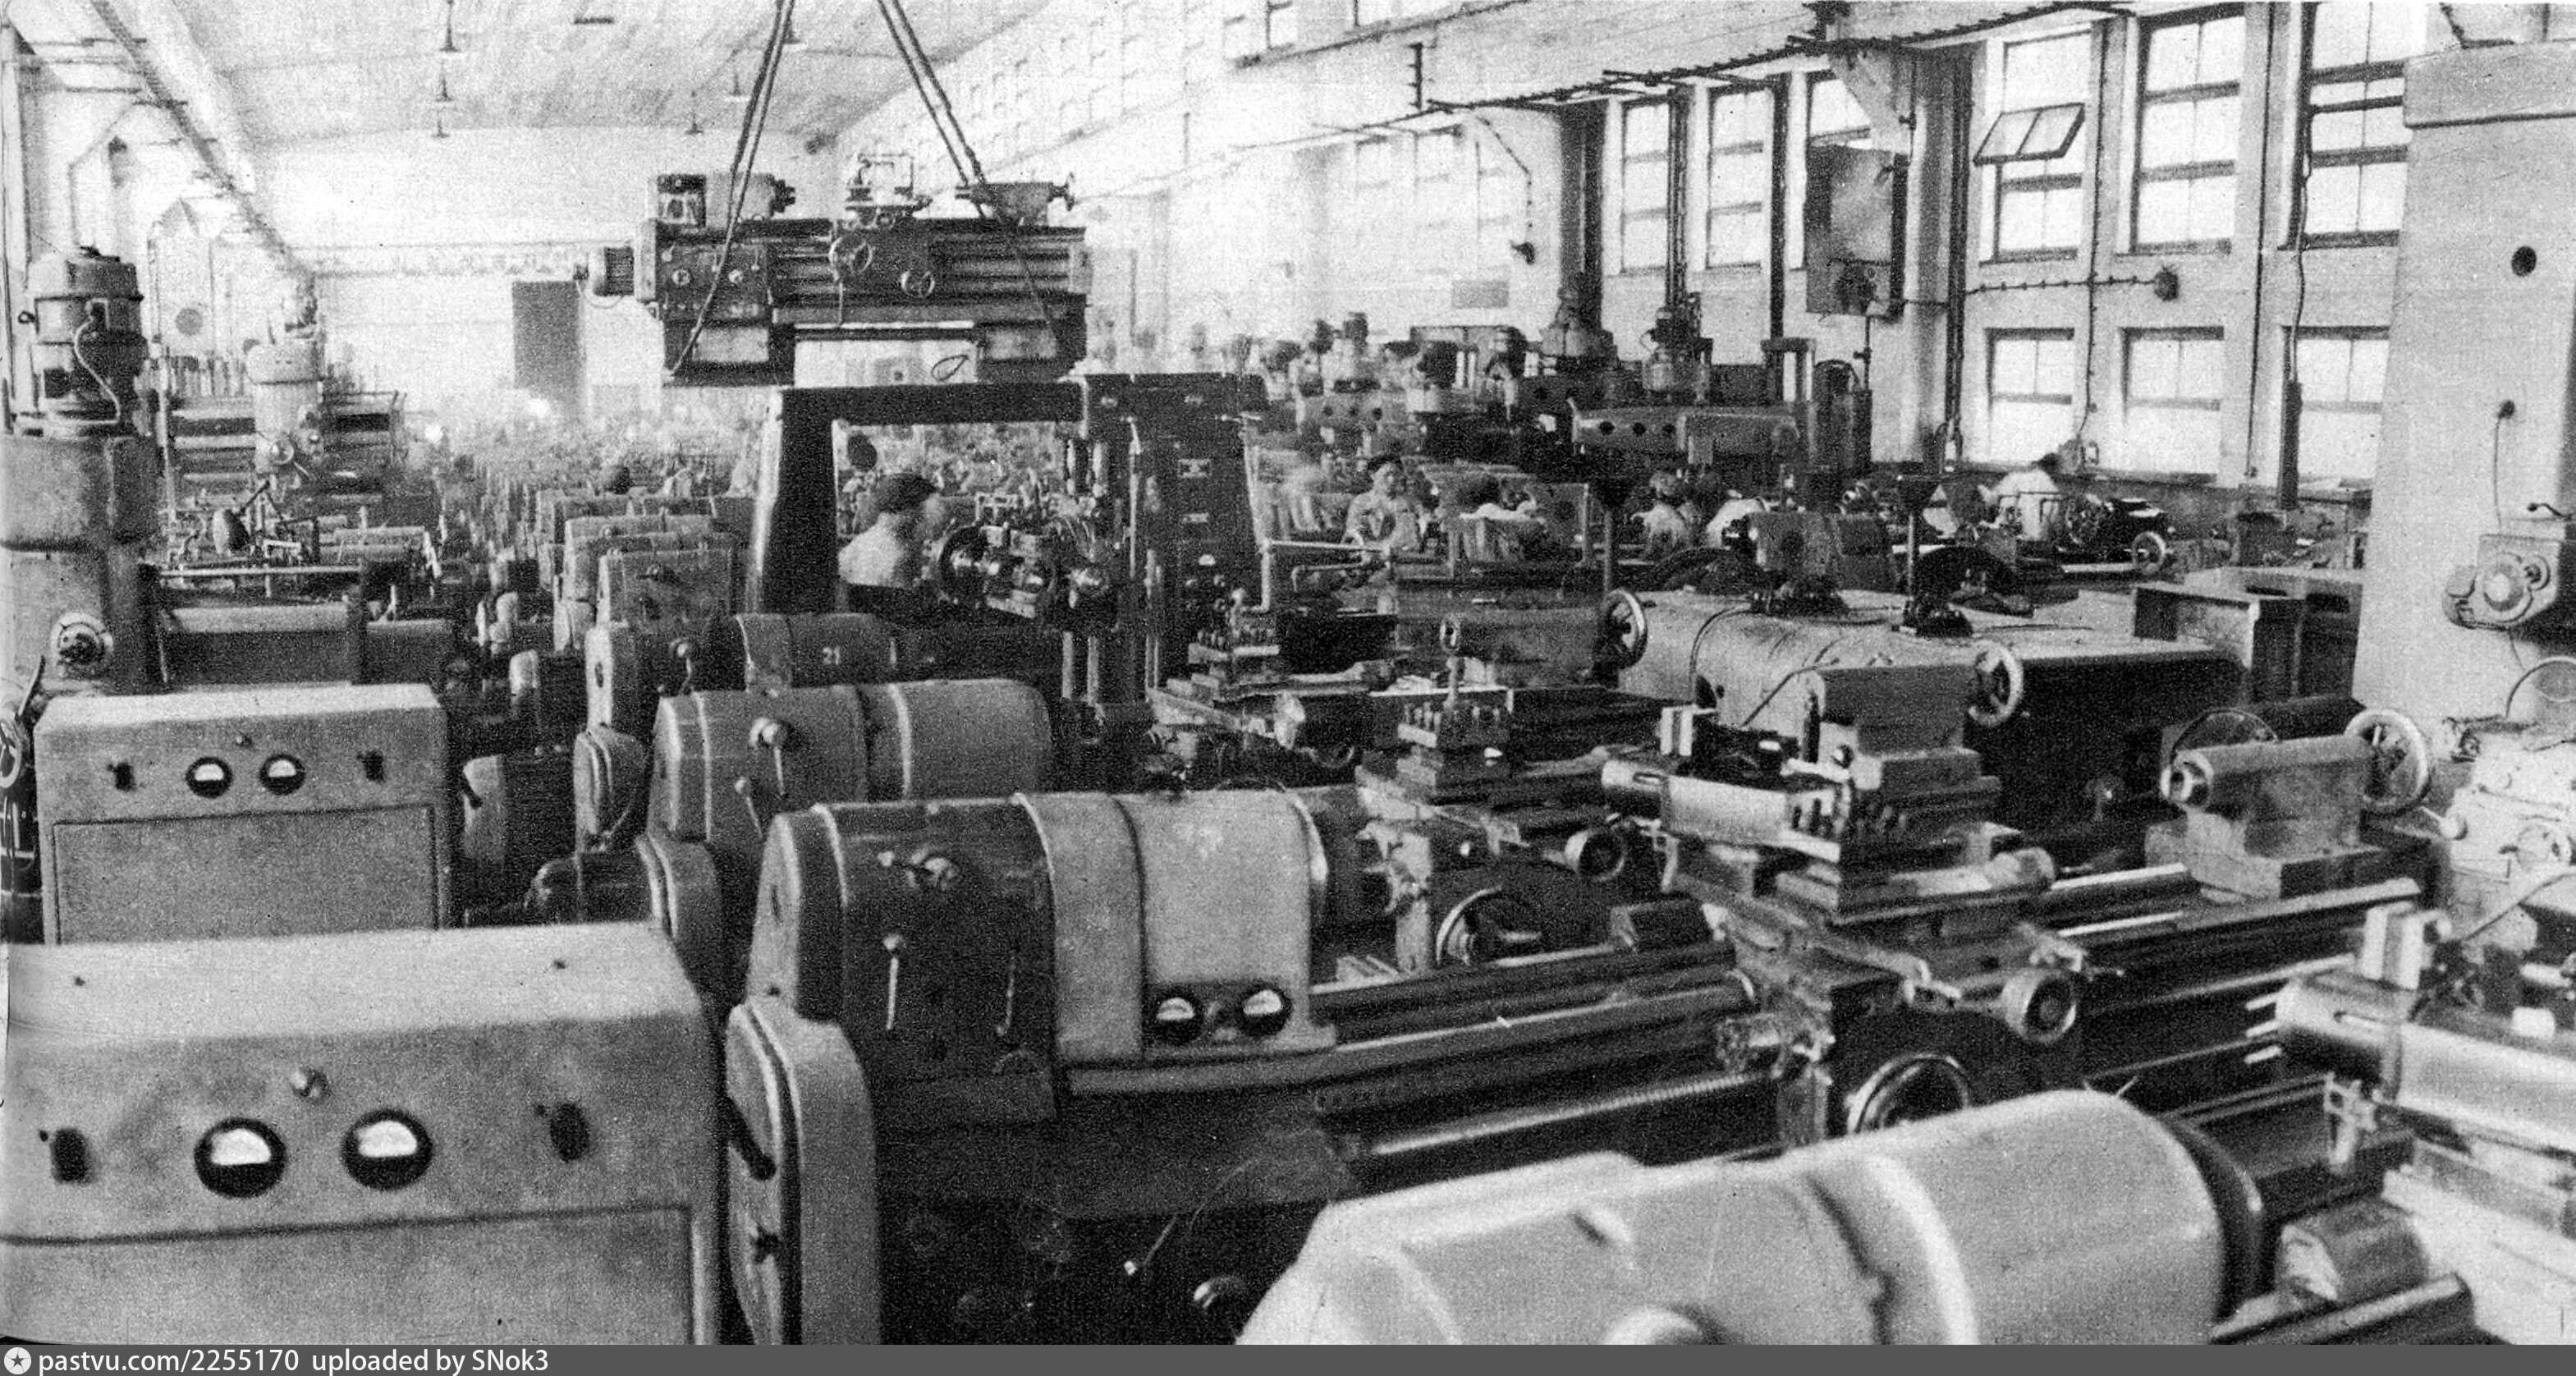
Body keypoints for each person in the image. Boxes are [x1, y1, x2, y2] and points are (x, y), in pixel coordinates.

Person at [839, 471, 944, 597]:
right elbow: (904, 604)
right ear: (908, 511)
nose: (924, 520)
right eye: (922, 511)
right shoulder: (900, 557)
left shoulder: (855, 546)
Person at [1344, 456, 1422, 550]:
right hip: (1367, 552)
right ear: (1373, 475)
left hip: (1400, 552)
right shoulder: (1362, 501)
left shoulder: (1408, 503)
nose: (1392, 480)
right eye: (1386, 475)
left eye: (1396, 475)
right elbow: (1354, 530)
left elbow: (1411, 535)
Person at [1986, 452, 2065, 543]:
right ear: (2054, 469)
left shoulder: (2014, 478)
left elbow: (1991, 500)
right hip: (2038, 541)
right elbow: (2053, 520)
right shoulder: (2053, 490)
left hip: (2010, 536)